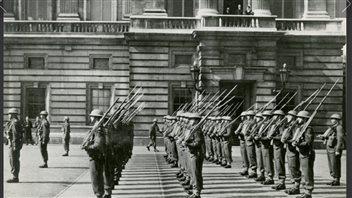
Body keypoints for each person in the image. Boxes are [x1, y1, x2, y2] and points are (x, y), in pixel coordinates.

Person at [83, 109, 106, 198]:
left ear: (95, 118)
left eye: (92, 116)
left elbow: (98, 145)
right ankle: (99, 194)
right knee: (97, 177)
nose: (91, 118)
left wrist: (87, 147)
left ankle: (99, 195)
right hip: (96, 156)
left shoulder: (98, 129)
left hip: (96, 156)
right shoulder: (97, 128)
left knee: (96, 178)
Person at [318, 113, 345, 186]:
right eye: (332, 119)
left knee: (335, 164)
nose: (332, 120)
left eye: (334, 119)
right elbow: (330, 136)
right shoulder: (332, 127)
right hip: (330, 148)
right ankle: (334, 178)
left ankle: (336, 179)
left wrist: (338, 150)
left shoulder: (339, 127)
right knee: (331, 164)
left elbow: (340, 139)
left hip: (334, 149)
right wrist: (323, 137)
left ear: (337, 120)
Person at [292, 111, 315, 198]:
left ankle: (308, 192)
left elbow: (308, 142)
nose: (298, 119)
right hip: (302, 153)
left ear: (305, 119)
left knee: (307, 173)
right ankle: (305, 191)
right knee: (304, 172)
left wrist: (297, 144)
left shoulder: (308, 129)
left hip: (307, 153)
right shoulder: (302, 127)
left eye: (300, 117)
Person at [183, 113, 205, 198]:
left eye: (191, 119)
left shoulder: (197, 131)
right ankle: (195, 190)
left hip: (196, 154)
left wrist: (188, 144)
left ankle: (197, 192)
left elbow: (198, 144)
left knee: (196, 174)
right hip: (192, 153)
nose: (190, 121)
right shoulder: (193, 129)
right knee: (193, 173)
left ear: (196, 120)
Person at [281, 110, 301, 195]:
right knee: (291, 167)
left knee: (294, 167)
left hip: (293, 150)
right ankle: (294, 185)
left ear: (293, 117)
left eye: (289, 115)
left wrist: (287, 140)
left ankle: (296, 186)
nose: (287, 117)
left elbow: (295, 138)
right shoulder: (290, 125)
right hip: (289, 149)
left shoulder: (296, 126)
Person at [268, 110, 286, 190]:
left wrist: (273, 137)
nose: (274, 117)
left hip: (279, 146)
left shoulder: (282, 125)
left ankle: (281, 182)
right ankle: (279, 181)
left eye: (275, 115)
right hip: (275, 146)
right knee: (276, 163)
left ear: (279, 116)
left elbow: (282, 136)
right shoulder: (275, 124)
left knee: (279, 163)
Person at [6, 108, 24, 183]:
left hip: (14, 144)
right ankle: (15, 176)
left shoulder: (15, 123)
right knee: (13, 160)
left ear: (13, 115)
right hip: (13, 144)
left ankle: (15, 177)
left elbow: (16, 135)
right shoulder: (12, 122)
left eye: (9, 114)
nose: (8, 115)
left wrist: (14, 145)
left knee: (13, 160)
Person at [234, 111, 249, 176]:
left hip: (246, 140)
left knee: (247, 156)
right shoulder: (242, 123)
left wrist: (239, 133)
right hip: (241, 140)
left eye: (243, 116)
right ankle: (244, 167)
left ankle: (247, 169)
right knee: (243, 156)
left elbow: (244, 133)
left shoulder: (247, 124)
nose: (242, 117)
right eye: (242, 116)